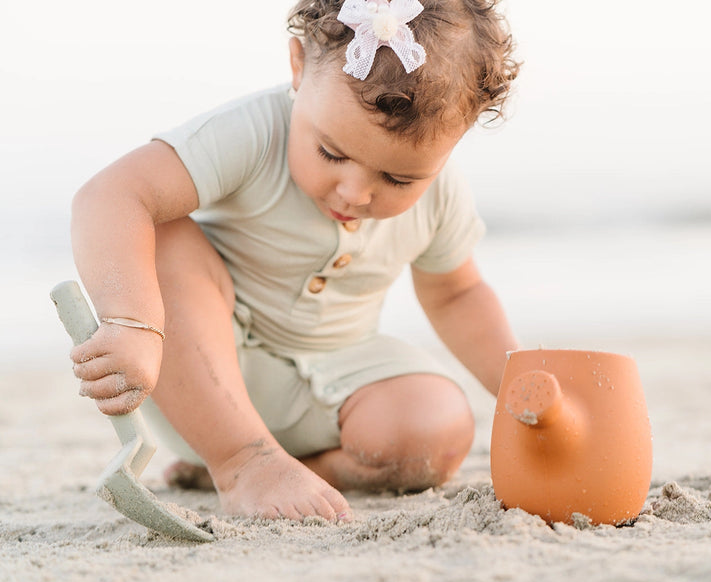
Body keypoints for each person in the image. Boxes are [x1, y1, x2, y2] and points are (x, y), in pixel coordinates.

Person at [68, 0, 520, 522]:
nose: (353, 193)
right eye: (331, 152)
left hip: (332, 386)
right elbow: (110, 196)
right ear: (298, 69)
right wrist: (134, 323)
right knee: (164, 230)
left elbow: (457, 295)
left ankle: (295, 466)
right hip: (202, 376)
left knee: (437, 425)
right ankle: (238, 461)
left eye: (398, 179)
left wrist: (521, 391)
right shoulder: (255, 132)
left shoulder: (443, 195)